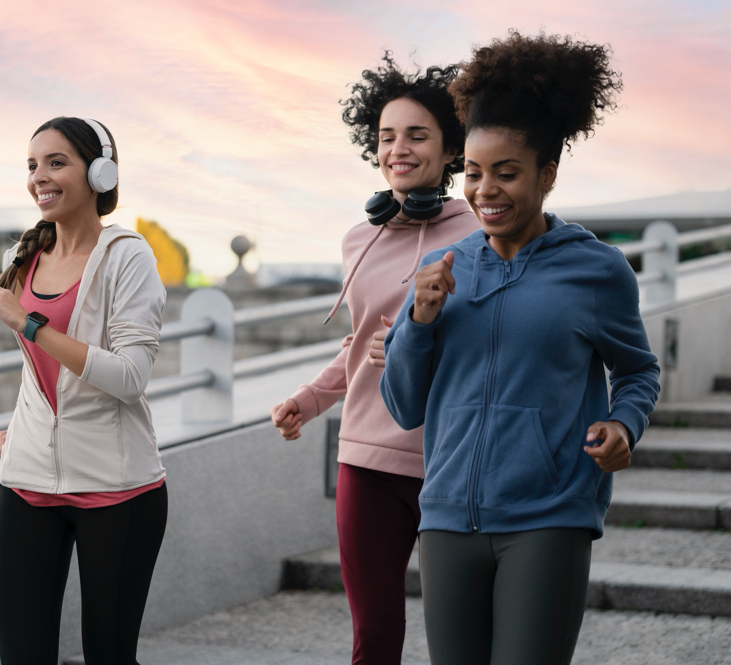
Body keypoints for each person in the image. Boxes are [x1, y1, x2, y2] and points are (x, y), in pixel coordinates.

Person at [379, 31, 661, 665]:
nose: (486, 191)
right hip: (448, 517)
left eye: (506, 173)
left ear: (547, 174)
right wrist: (420, 319)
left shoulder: (596, 270)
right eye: (474, 174)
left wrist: (623, 423)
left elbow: (638, 370)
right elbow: (402, 405)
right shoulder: (439, 267)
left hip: (549, 517)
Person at [270, 54, 479, 664]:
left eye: (417, 135)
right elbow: (361, 342)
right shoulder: (358, 239)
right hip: (365, 457)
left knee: (460, 637)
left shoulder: (480, 234)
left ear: (450, 149)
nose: (399, 150)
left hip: (453, 456)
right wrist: (308, 401)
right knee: (375, 635)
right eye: (387, 137)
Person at [0, 116, 168, 665]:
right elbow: (42, 371)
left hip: (117, 487)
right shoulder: (22, 257)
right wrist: (25, 421)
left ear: (99, 172)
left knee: (108, 655)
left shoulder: (129, 256)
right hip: (27, 478)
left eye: (57, 162)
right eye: (33, 166)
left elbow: (130, 377)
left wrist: (29, 322)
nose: (40, 177)